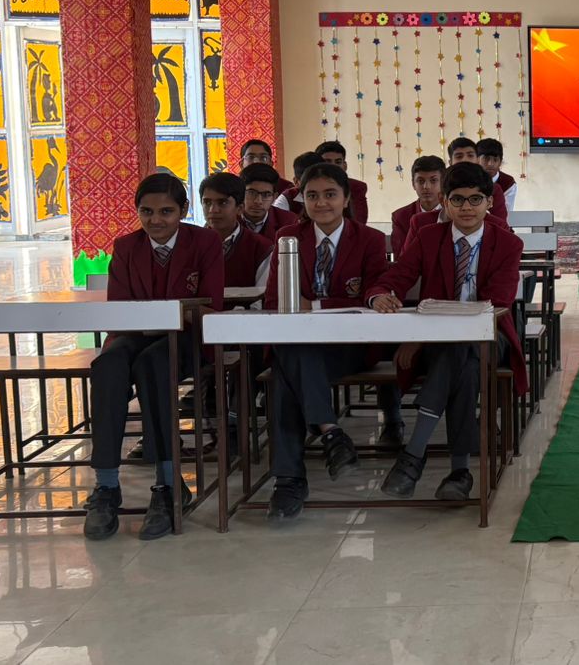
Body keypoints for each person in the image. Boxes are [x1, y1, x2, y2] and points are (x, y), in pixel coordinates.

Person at [368, 163, 526, 500]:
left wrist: (420, 338)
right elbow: (397, 276)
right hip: (443, 344)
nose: (467, 208)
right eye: (457, 199)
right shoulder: (428, 237)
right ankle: (460, 472)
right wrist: (380, 294)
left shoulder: (508, 244)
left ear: (489, 202)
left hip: (490, 336)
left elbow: (495, 303)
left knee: (460, 349)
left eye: (475, 199)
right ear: (444, 202)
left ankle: (414, 453)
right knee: (462, 366)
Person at [83, 173, 223, 541]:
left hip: (188, 337)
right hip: (133, 334)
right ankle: (106, 485)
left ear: (183, 211)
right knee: (107, 365)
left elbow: (210, 305)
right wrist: (161, 315)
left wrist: (166, 314)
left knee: (154, 365)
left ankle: (168, 484)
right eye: (146, 211)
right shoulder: (126, 246)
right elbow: (120, 309)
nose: (155, 220)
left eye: (166, 211)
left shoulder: (204, 242)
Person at [262, 162, 391, 519]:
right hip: (299, 344)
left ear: (346, 198)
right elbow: (274, 300)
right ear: (302, 199)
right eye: (312, 195)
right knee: (291, 363)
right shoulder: (289, 237)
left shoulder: (369, 239)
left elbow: (372, 293)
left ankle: (289, 480)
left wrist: (315, 305)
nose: (321, 203)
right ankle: (330, 433)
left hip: (350, 345)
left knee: (287, 369)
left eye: (330, 194)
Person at [200, 172, 273, 294]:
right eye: (207, 203)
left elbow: (262, 298)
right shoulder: (190, 245)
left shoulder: (261, 248)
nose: (213, 210)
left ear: (240, 208)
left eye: (222, 203)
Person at [391, 155, 447, 255]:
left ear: (443, 183)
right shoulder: (401, 216)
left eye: (433, 180)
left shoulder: (453, 212)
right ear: (413, 184)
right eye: (421, 181)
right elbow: (402, 257)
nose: (426, 186)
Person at [238, 163, 299, 241]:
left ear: (274, 197)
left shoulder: (289, 221)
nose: (258, 201)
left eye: (266, 195)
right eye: (251, 193)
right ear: (240, 192)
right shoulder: (228, 218)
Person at [315, 141, 371, 224]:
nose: (333, 166)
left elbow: (358, 222)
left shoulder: (356, 187)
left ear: (345, 166)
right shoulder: (310, 186)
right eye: (327, 162)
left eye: (338, 162)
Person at [475, 138, 520, 213]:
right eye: (486, 159)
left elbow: (504, 213)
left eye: (495, 160)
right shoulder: (467, 179)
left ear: (500, 162)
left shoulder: (508, 183)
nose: (490, 164)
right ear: (476, 159)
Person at [282, 152, 323, 217]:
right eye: (309, 179)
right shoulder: (287, 198)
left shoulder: (337, 193)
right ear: (296, 182)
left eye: (321, 178)